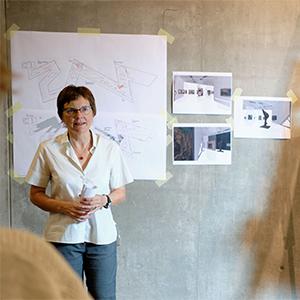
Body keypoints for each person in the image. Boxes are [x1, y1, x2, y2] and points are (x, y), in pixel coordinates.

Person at [25, 85, 134, 300]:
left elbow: (120, 192)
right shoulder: (48, 149)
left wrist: (104, 199)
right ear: (61, 116)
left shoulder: (110, 148)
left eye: (84, 109)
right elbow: (35, 193)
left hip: (101, 238)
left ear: (93, 112)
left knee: (103, 297)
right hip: (62, 237)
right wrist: (65, 207)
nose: (79, 116)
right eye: (71, 110)